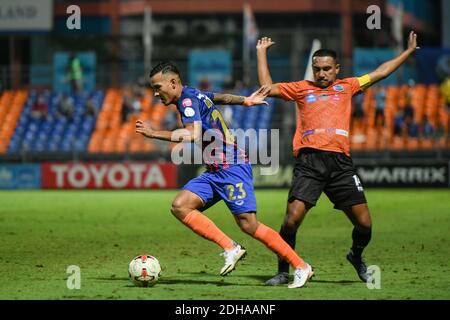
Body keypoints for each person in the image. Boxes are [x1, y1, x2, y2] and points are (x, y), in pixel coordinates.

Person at [256, 31, 419, 285]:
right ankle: (282, 270)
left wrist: (407, 52)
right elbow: (266, 89)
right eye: (317, 69)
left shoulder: (348, 86)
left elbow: (381, 72)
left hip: (340, 164)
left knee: (365, 225)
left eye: (327, 69)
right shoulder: (301, 88)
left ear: (336, 69)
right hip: (309, 162)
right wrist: (261, 53)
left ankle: (356, 255)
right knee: (291, 220)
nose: (321, 74)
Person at [135, 61, 313, 288]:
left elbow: (192, 134)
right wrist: (246, 100)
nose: (155, 93)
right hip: (215, 171)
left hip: (232, 167)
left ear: (173, 82)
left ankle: (301, 266)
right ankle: (231, 247)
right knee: (180, 205)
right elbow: (220, 97)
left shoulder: (187, 101)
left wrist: (153, 133)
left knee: (249, 224)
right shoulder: (194, 94)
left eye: (158, 87)